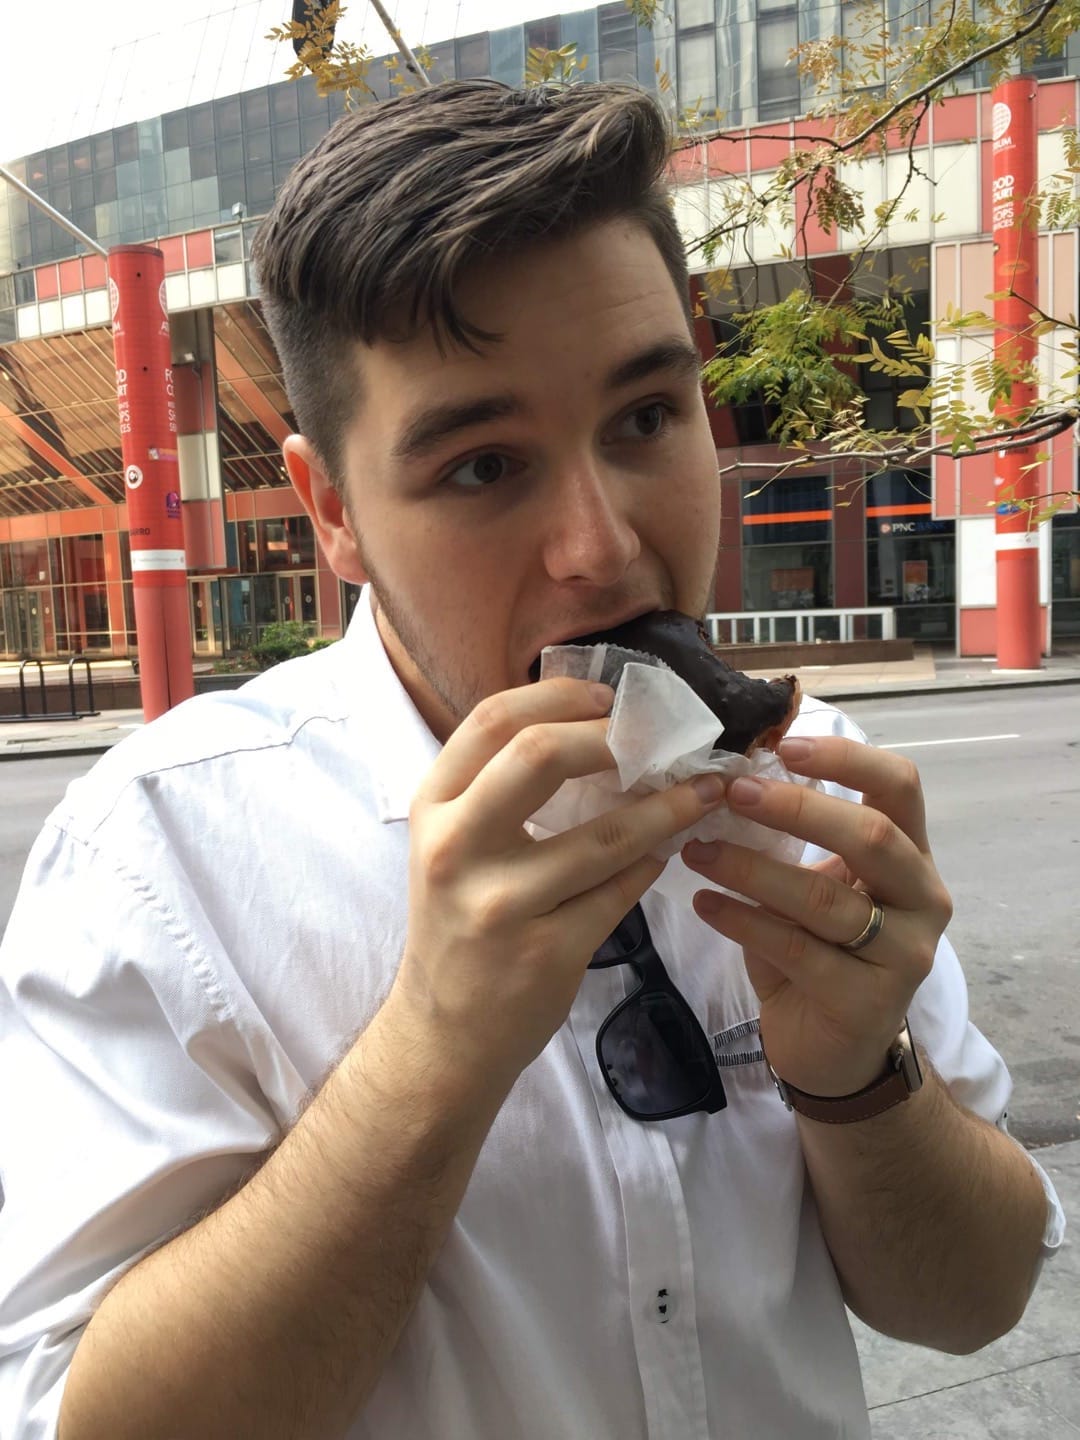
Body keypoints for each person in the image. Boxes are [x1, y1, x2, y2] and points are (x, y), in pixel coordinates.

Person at [0, 80, 1063, 1440]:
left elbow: (971, 1304)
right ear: (332, 510)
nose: (605, 548)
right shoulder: (161, 859)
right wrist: (433, 1054)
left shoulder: (819, 792)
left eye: (644, 420)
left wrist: (858, 1077)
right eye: (484, 467)